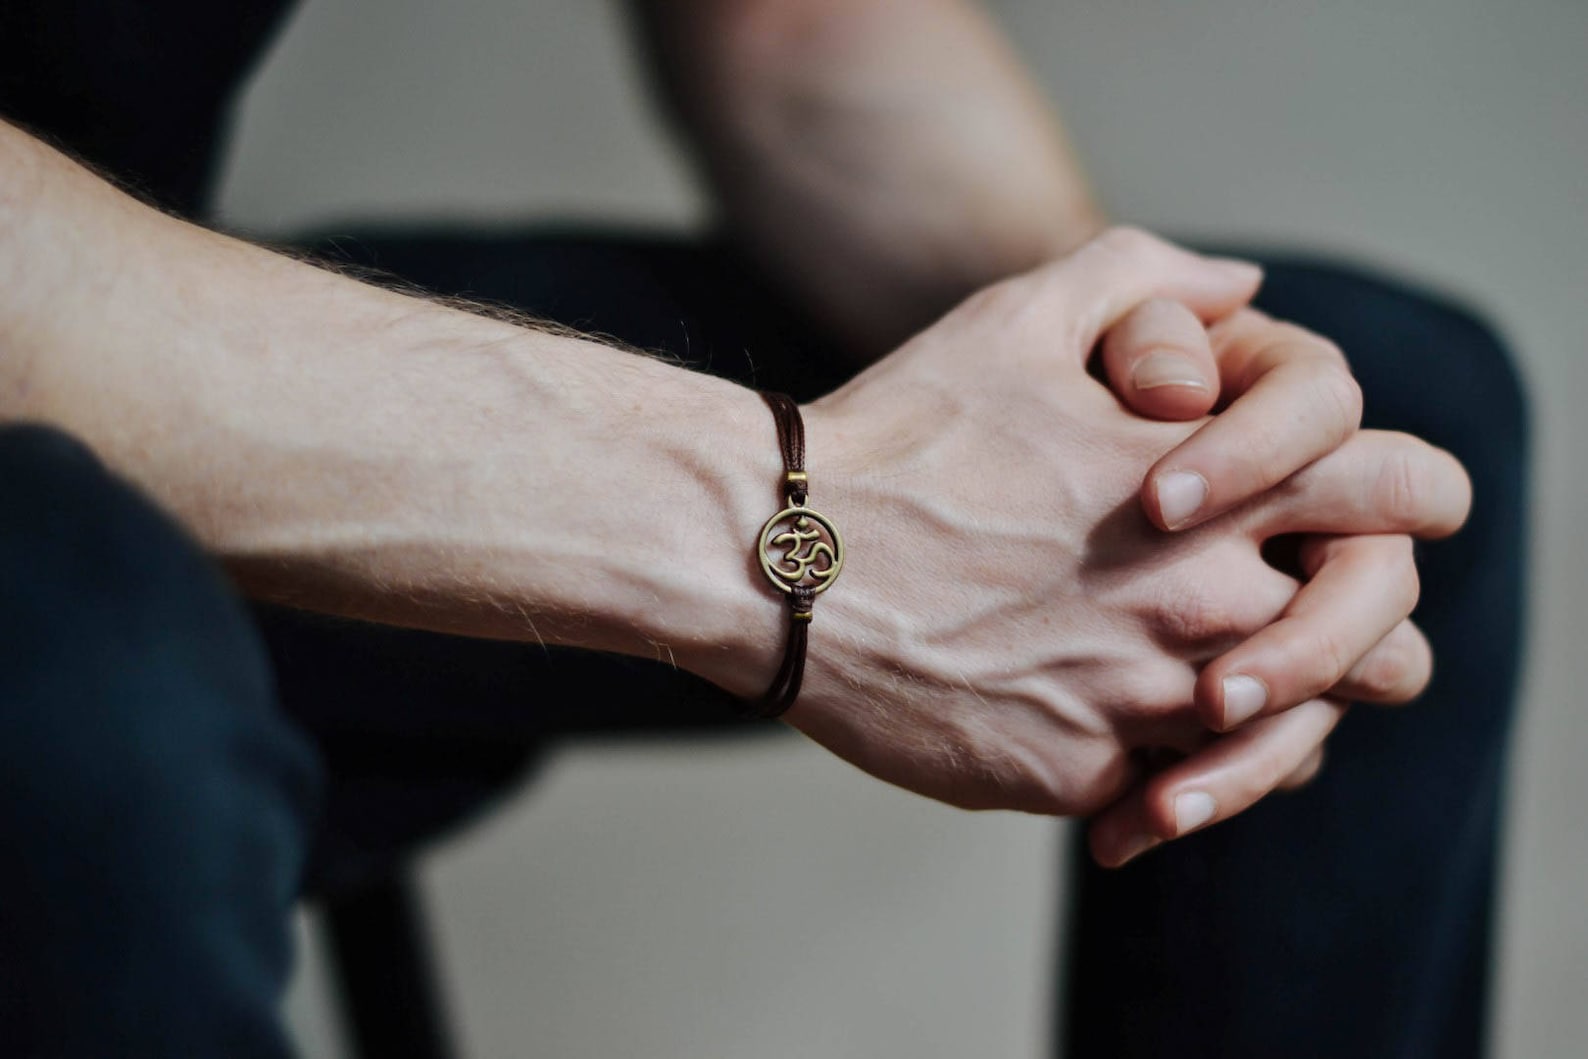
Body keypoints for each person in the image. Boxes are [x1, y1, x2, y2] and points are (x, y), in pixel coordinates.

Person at [0, 2, 1524, 1057]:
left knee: (1338, 463)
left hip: (171, 341)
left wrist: (1127, 377)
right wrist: (797, 519)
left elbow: (796, 39)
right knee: (78, 649)